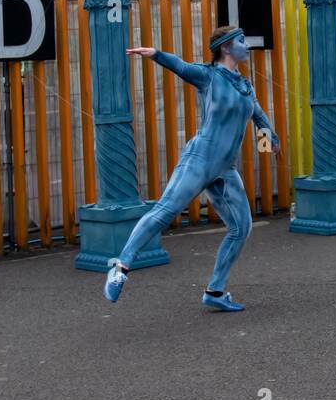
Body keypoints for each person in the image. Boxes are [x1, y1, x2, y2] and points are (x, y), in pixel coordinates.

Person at [103, 26, 280, 312]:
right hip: (199, 159)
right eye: (242, 41)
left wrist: (270, 141)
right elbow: (181, 67)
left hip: (225, 168)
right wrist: (156, 54)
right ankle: (120, 267)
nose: (248, 46)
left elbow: (258, 117)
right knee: (165, 210)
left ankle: (215, 291)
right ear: (225, 47)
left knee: (241, 227)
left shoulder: (245, 85)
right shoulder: (209, 76)